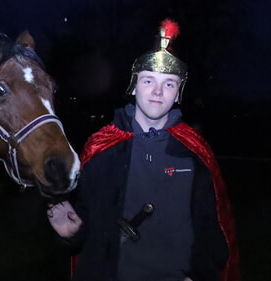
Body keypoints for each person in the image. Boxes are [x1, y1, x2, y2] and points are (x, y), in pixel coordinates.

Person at [47, 19, 239, 281]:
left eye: (169, 84)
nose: (158, 92)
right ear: (134, 86)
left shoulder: (194, 152)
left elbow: (213, 229)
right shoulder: (101, 148)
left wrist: (199, 275)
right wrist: (71, 233)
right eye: (149, 81)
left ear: (178, 93)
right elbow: (87, 226)